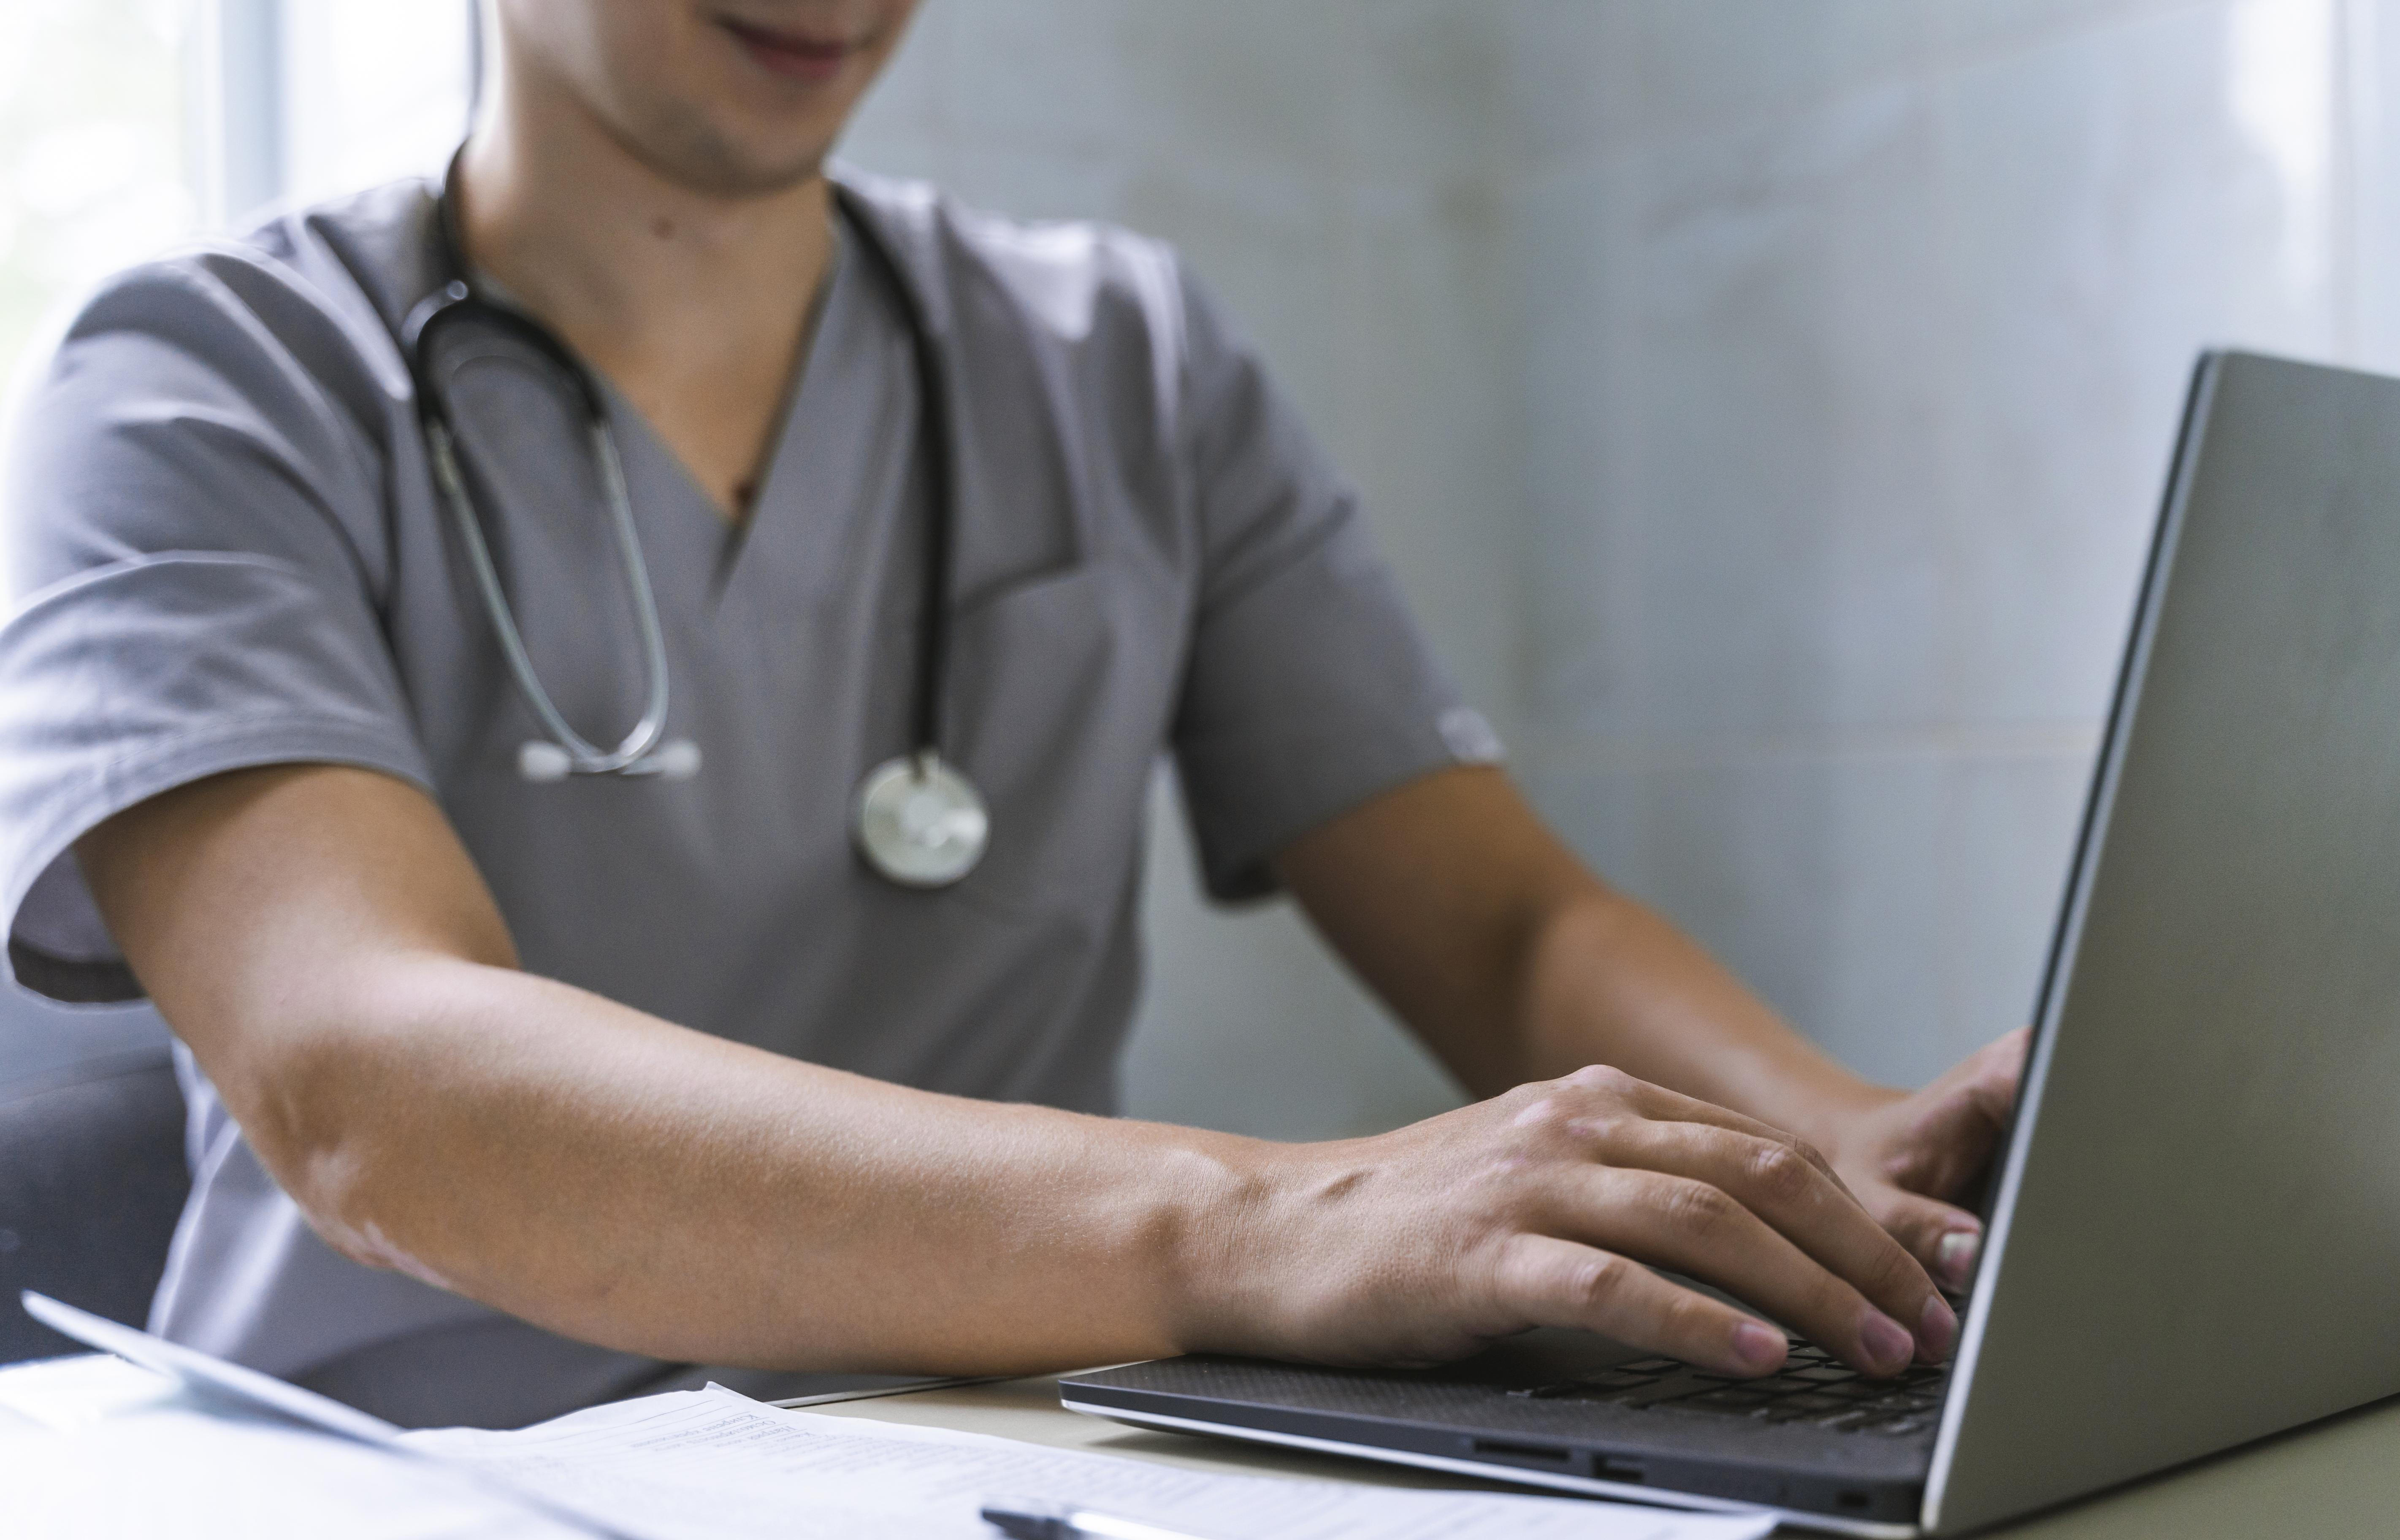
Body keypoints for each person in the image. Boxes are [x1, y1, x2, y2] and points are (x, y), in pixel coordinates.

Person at [0, 0, 2022, 1428]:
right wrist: (1262, 1223)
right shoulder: (201, 388)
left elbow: (1500, 925)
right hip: (420, 1531)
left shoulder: (1120, 362)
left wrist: (1831, 1155)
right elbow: (373, 1087)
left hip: (996, 1485)